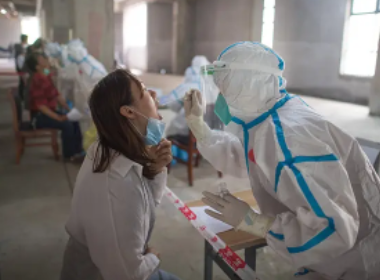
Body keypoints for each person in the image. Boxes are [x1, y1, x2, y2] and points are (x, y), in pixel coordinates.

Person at [184, 41, 380, 279]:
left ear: (248, 86)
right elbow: (251, 158)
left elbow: (334, 231)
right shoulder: (274, 113)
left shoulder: (287, 139)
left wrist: (256, 223)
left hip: (354, 261)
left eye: (224, 89)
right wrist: (200, 129)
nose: (221, 99)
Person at [60, 69, 180, 280]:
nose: (153, 94)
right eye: (143, 92)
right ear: (129, 112)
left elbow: (147, 201)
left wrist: (156, 167)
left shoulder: (110, 149)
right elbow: (128, 274)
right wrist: (152, 257)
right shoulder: (117, 184)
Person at [26, 53, 84, 161]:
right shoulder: (37, 80)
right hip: (39, 117)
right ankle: (69, 155)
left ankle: (78, 151)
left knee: (74, 120)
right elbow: (41, 106)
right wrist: (58, 117)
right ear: (37, 67)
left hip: (49, 111)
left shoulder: (45, 75)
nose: (45, 59)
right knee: (67, 125)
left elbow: (56, 94)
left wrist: (69, 110)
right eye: (42, 59)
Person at [166, 55, 219, 145]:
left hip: (186, 136)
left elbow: (172, 104)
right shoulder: (214, 89)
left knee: (169, 132)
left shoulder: (188, 87)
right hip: (208, 137)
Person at [14, 34, 28, 100]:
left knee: (22, 82)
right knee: (22, 82)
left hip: (20, 66)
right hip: (20, 66)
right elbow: (21, 56)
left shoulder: (21, 47)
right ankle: (21, 96)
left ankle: (21, 95)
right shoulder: (19, 47)